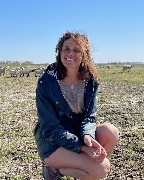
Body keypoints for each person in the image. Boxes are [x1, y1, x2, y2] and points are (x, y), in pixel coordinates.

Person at [34, 31, 119, 179]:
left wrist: (87, 136)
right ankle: (54, 170)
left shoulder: (90, 80)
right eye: (66, 49)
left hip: (77, 133)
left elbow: (89, 117)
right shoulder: (46, 82)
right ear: (59, 51)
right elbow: (50, 128)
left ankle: (85, 170)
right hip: (53, 141)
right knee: (102, 169)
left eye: (76, 50)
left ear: (83, 55)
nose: (70, 54)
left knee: (110, 132)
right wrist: (82, 147)